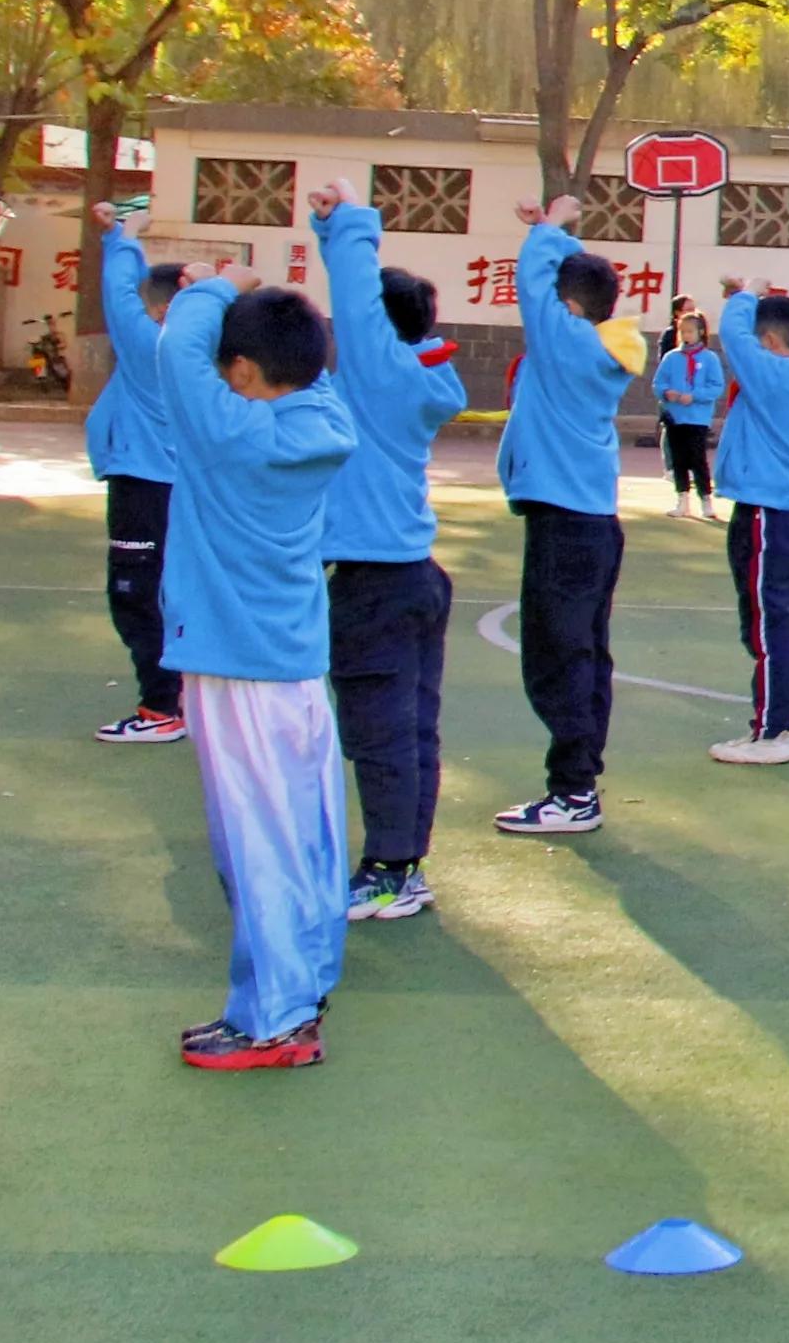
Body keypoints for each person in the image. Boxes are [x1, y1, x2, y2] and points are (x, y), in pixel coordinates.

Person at [147, 248, 359, 1068]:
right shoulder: (323, 420)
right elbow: (304, 364)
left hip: (238, 667)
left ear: (240, 370)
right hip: (295, 665)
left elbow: (175, 348)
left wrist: (215, 284)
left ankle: (272, 1017)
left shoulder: (230, 427)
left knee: (257, 841)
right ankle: (298, 994)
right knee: (303, 835)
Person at [308, 182, 465, 924]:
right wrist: (330, 230)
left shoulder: (378, 376)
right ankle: (403, 862)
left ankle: (390, 870)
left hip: (376, 581)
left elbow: (353, 301)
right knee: (409, 728)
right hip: (412, 577)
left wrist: (345, 223)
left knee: (378, 733)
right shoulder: (418, 379)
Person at [490, 198, 646, 837]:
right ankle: (578, 784)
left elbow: (531, 283)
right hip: (588, 524)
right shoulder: (594, 347)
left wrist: (550, 227)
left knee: (557, 658)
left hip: (566, 525)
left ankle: (573, 791)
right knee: (582, 656)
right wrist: (545, 231)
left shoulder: (568, 343)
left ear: (572, 307)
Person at [704, 283, 789, 765]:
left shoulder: (776, 377)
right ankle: (780, 723)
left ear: (772, 344)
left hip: (765, 516)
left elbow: (734, 338)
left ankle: (772, 730)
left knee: (768, 628)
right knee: (784, 625)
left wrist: (742, 297)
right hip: (780, 515)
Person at [86, 208, 190, 743]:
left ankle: (160, 709)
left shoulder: (153, 345)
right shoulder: (201, 351)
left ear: (163, 308)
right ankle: (182, 699)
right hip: (181, 486)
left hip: (144, 484)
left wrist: (116, 238)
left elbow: (118, 297)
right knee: (173, 593)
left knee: (136, 594)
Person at [650, 310, 726, 521]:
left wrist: (694, 396)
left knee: (698, 458)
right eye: (682, 331)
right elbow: (658, 383)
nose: (685, 336)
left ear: (701, 332)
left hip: (697, 417)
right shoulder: (671, 357)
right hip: (675, 416)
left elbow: (716, 386)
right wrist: (667, 392)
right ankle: (682, 499)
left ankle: (706, 499)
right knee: (678, 459)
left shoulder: (709, 358)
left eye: (690, 331)